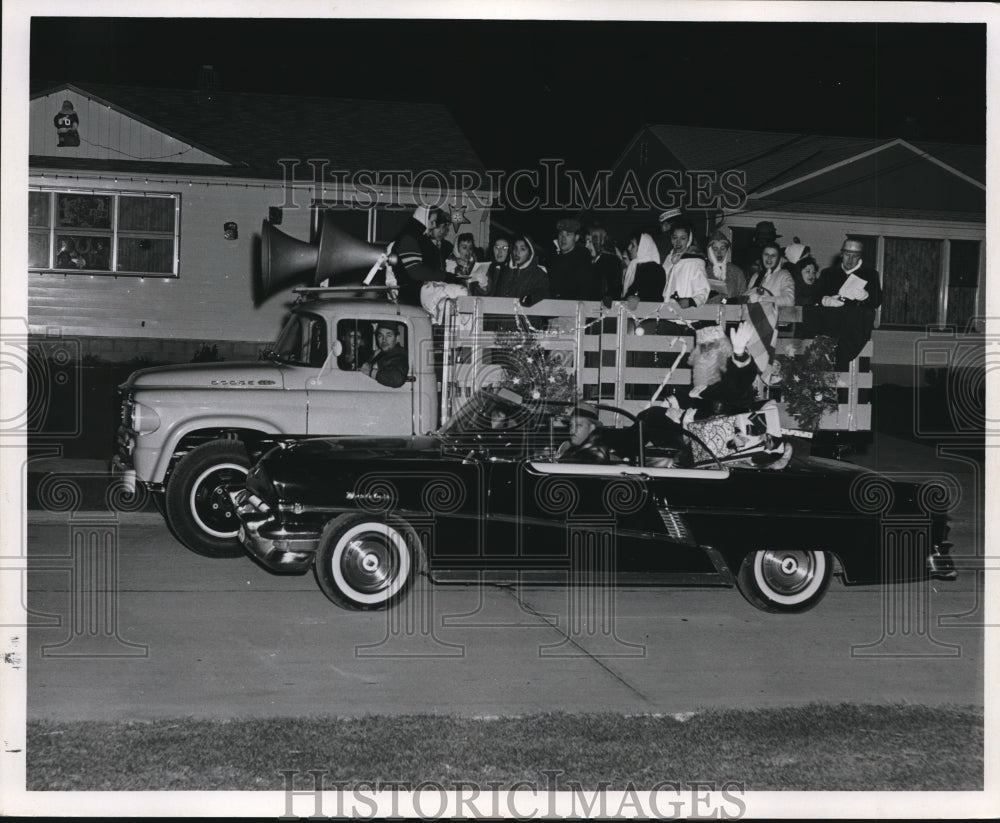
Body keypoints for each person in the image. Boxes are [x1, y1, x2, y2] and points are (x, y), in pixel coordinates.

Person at [816, 237, 883, 370]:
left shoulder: (870, 274)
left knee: (855, 376)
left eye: (855, 256)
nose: (850, 260)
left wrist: (866, 296)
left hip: (857, 336)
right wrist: (825, 299)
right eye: (847, 255)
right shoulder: (828, 274)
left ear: (860, 256)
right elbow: (816, 296)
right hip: (830, 334)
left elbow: (877, 300)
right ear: (841, 254)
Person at [475, 235, 549, 305]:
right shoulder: (506, 271)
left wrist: (531, 298)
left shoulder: (538, 273)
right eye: (515, 248)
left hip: (524, 316)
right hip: (502, 316)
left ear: (530, 253)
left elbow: (543, 291)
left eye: (522, 249)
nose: (517, 252)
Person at [547, 217, 601, 300]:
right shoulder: (553, 259)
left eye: (568, 235)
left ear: (576, 238)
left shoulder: (582, 260)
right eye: (561, 234)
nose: (563, 239)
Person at [661, 218, 710, 307]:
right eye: (675, 238)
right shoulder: (669, 259)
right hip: (666, 309)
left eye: (683, 238)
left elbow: (703, 289)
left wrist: (691, 301)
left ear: (689, 239)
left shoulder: (695, 261)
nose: (678, 242)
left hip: (686, 313)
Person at [744, 241, 795, 307]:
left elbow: (789, 300)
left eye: (773, 256)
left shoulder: (784, 275)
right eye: (766, 254)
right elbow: (747, 298)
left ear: (778, 258)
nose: (769, 258)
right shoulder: (756, 276)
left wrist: (762, 299)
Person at [359, 321, 409, 388]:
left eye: (389, 335)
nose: (384, 340)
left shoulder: (400, 355)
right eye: (380, 336)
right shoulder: (381, 353)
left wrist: (370, 372)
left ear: (397, 338)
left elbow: (397, 379)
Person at [704, 229, 747, 304]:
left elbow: (744, 298)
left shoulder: (737, 272)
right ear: (710, 251)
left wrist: (729, 301)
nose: (719, 252)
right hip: (709, 313)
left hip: (731, 313)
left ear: (727, 250)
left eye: (722, 249)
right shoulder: (704, 272)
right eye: (715, 249)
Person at [621, 232, 665, 302]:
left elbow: (647, 298)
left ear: (643, 248)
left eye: (633, 245)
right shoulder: (635, 266)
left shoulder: (654, 270)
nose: (628, 248)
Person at [587, 222, 624, 304]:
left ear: (599, 241)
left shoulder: (611, 260)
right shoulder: (594, 260)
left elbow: (614, 288)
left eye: (590, 241)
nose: (587, 245)